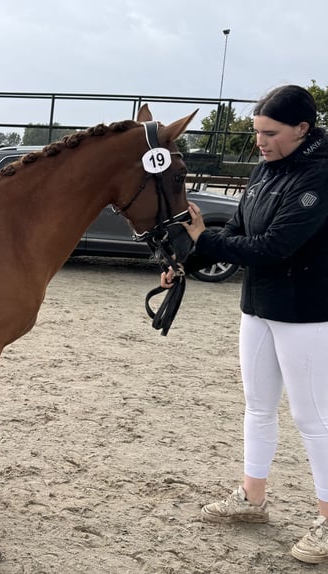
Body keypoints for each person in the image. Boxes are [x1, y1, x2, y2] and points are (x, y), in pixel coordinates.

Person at [163, 84, 328, 564]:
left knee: (312, 419)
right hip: (258, 306)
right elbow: (238, 229)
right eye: (257, 131)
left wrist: (202, 239)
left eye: (270, 132)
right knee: (257, 407)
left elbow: (273, 247)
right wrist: (187, 260)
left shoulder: (318, 178)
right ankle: (252, 497)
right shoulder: (267, 168)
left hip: (306, 312)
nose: (260, 140)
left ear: (302, 129)